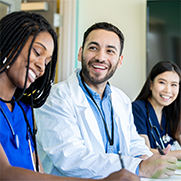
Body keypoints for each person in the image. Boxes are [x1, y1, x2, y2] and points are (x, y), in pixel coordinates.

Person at [0, 11, 140, 181]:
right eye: (37, 52)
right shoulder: (57, 97)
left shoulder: (24, 109)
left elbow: (37, 171)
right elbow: (4, 172)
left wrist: (148, 161)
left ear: (120, 60)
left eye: (47, 62)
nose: (41, 67)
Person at [34, 22, 177, 179]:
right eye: (93, 48)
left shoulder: (121, 99)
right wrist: (139, 166)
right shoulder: (56, 97)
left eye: (110, 51)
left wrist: (146, 157)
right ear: (80, 53)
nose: (101, 57)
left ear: (119, 61)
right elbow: (70, 158)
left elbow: (132, 141)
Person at [132, 61, 181, 159]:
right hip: (147, 172)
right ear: (151, 84)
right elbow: (145, 152)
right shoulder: (137, 109)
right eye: (162, 82)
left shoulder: (170, 112)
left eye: (174, 85)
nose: (168, 90)